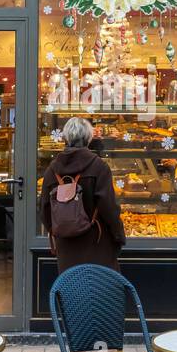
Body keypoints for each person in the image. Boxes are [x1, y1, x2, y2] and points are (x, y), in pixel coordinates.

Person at [40, 117, 125, 274]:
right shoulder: (98, 167)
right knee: (98, 292)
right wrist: (118, 235)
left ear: (65, 138)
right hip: (96, 243)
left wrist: (58, 229)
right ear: (89, 138)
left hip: (66, 247)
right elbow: (108, 207)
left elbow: (44, 209)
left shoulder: (52, 170)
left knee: (71, 291)